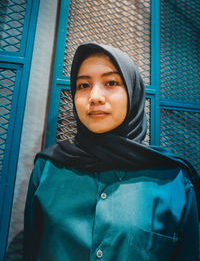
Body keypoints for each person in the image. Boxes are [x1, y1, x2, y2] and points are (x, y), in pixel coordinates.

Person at [24, 42, 200, 261]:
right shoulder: (48, 168)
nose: (95, 96)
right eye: (83, 86)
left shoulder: (173, 180)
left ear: (132, 92)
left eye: (110, 82)